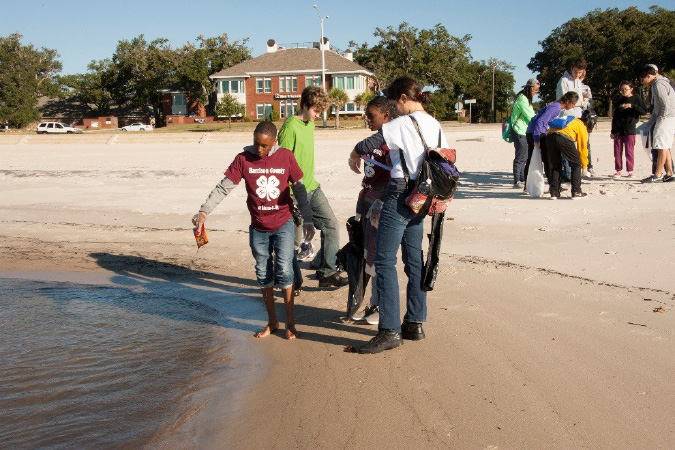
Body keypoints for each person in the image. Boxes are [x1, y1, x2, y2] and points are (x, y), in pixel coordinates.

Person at [348, 77, 449, 354]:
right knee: (414, 259)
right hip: (424, 196)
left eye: (394, 103)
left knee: (383, 260)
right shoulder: (436, 124)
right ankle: (415, 323)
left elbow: (372, 142)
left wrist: (354, 153)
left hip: (401, 193)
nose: (394, 108)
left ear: (403, 98)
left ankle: (389, 329)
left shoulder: (403, 123)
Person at [192, 121, 316, 340]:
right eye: (256, 144)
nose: (259, 149)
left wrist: (307, 219)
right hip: (258, 227)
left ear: (274, 142)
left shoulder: (286, 156)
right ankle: (272, 321)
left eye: (265, 146)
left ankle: (291, 323)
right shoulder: (243, 159)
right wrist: (204, 211)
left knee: (285, 270)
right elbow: (224, 187)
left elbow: (300, 189)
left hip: (283, 223)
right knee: (262, 273)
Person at [278, 86, 348, 289]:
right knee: (292, 240)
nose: (318, 116)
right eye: (316, 111)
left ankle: (327, 273)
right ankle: (289, 280)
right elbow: (282, 163)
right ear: (306, 105)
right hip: (294, 192)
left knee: (332, 225)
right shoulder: (290, 126)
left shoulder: (310, 125)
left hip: (313, 187)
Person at [349, 96, 395, 325]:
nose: (367, 119)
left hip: (381, 206)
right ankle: (373, 303)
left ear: (386, 115)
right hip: (367, 202)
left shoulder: (391, 143)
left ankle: (378, 305)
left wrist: (381, 201)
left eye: (371, 116)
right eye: (366, 115)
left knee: (378, 258)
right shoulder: (372, 141)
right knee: (368, 255)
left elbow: (397, 178)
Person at [525, 91, 580, 187]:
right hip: (537, 133)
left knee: (532, 159)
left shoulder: (555, 106)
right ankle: (553, 185)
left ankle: (528, 185)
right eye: (573, 104)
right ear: (567, 101)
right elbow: (541, 121)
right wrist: (537, 138)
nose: (572, 107)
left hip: (531, 132)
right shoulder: (556, 107)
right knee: (548, 160)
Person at [639, 64, 675, 183]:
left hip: (666, 118)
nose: (643, 82)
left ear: (649, 76)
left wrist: (660, 120)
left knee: (661, 147)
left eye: (643, 79)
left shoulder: (658, 84)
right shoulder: (661, 83)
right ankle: (670, 173)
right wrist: (651, 122)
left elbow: (665, 105)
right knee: (665, 146)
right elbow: (657, 108)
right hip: (669, 118)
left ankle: (658, 174)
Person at [546, 113, 589, 199]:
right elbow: (582, 147)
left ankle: (554, 193)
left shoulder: (570, 119)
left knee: (556, 166)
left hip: (549, 137)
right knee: (576, 164)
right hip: (563, 138)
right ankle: (576, 191)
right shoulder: (581, 124)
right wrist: (584, 165)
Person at [610, 81, 647, 178]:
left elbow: (644, 111)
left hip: (630, 128)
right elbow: (615, 117)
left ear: (631, 89)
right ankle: (618, 170)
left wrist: (632, 106)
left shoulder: (636, 98)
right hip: (618, 129)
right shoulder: (619, 100)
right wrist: (613, 131)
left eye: (625, 89)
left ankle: (630, 170)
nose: (623, 91)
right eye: (621, 90)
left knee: (629, 151)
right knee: (617, 151)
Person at [510, 79, 539, 188]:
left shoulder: (525, 98)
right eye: (535, 90)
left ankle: (522, 178)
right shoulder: (522, 99)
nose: (536, 92)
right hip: (519, 130)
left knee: (525, 155)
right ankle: (517, 180)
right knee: (521, 156)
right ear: (531, 88)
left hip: (524, 130)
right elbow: (531, 115)